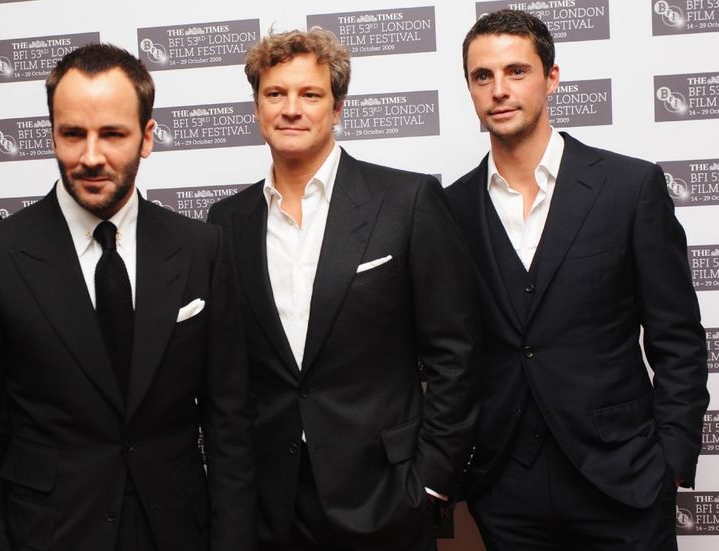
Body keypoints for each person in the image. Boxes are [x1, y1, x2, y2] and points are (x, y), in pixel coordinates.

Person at [0, 43, 255, 551]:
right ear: (52, 135)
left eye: (112, 134)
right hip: (49, 533)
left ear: (147, 137)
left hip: (177, 529)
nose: (91, 156)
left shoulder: (203, 249)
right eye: (72, 134)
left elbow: (230, 424)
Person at [446, 9, 709, 550]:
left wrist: (672, 461)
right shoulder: (450, 210)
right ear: (470, 88)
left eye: (516, 71)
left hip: (624, 478)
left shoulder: (628, 187)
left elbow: (677, 339)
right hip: (507, 489)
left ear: (552, 77)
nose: (499, 90)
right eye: (482, 76)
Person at [207, 29, 479, 551]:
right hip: (272, 503)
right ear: (257, 107)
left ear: (337, 110)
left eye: (310, 94)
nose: (291, 109)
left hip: (387, 495)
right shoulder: (226, 222)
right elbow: (229, 375)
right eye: (275, 94)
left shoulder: (406, 201)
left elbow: (456, 353)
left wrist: (430, 480)